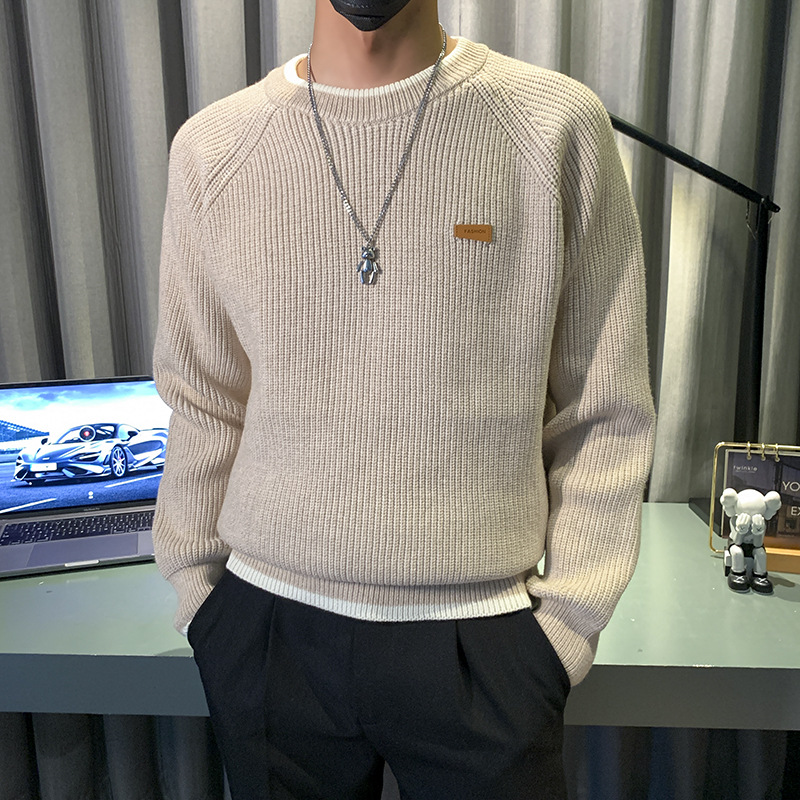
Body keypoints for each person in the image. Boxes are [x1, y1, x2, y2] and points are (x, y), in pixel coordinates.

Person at [152, 0, 656, 797]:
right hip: (267, 629)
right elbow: (203, 397)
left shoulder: (554, 125)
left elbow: (605, 407)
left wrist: (566, 626)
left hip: (485, 642)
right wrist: (198, 597)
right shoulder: (213, 149)